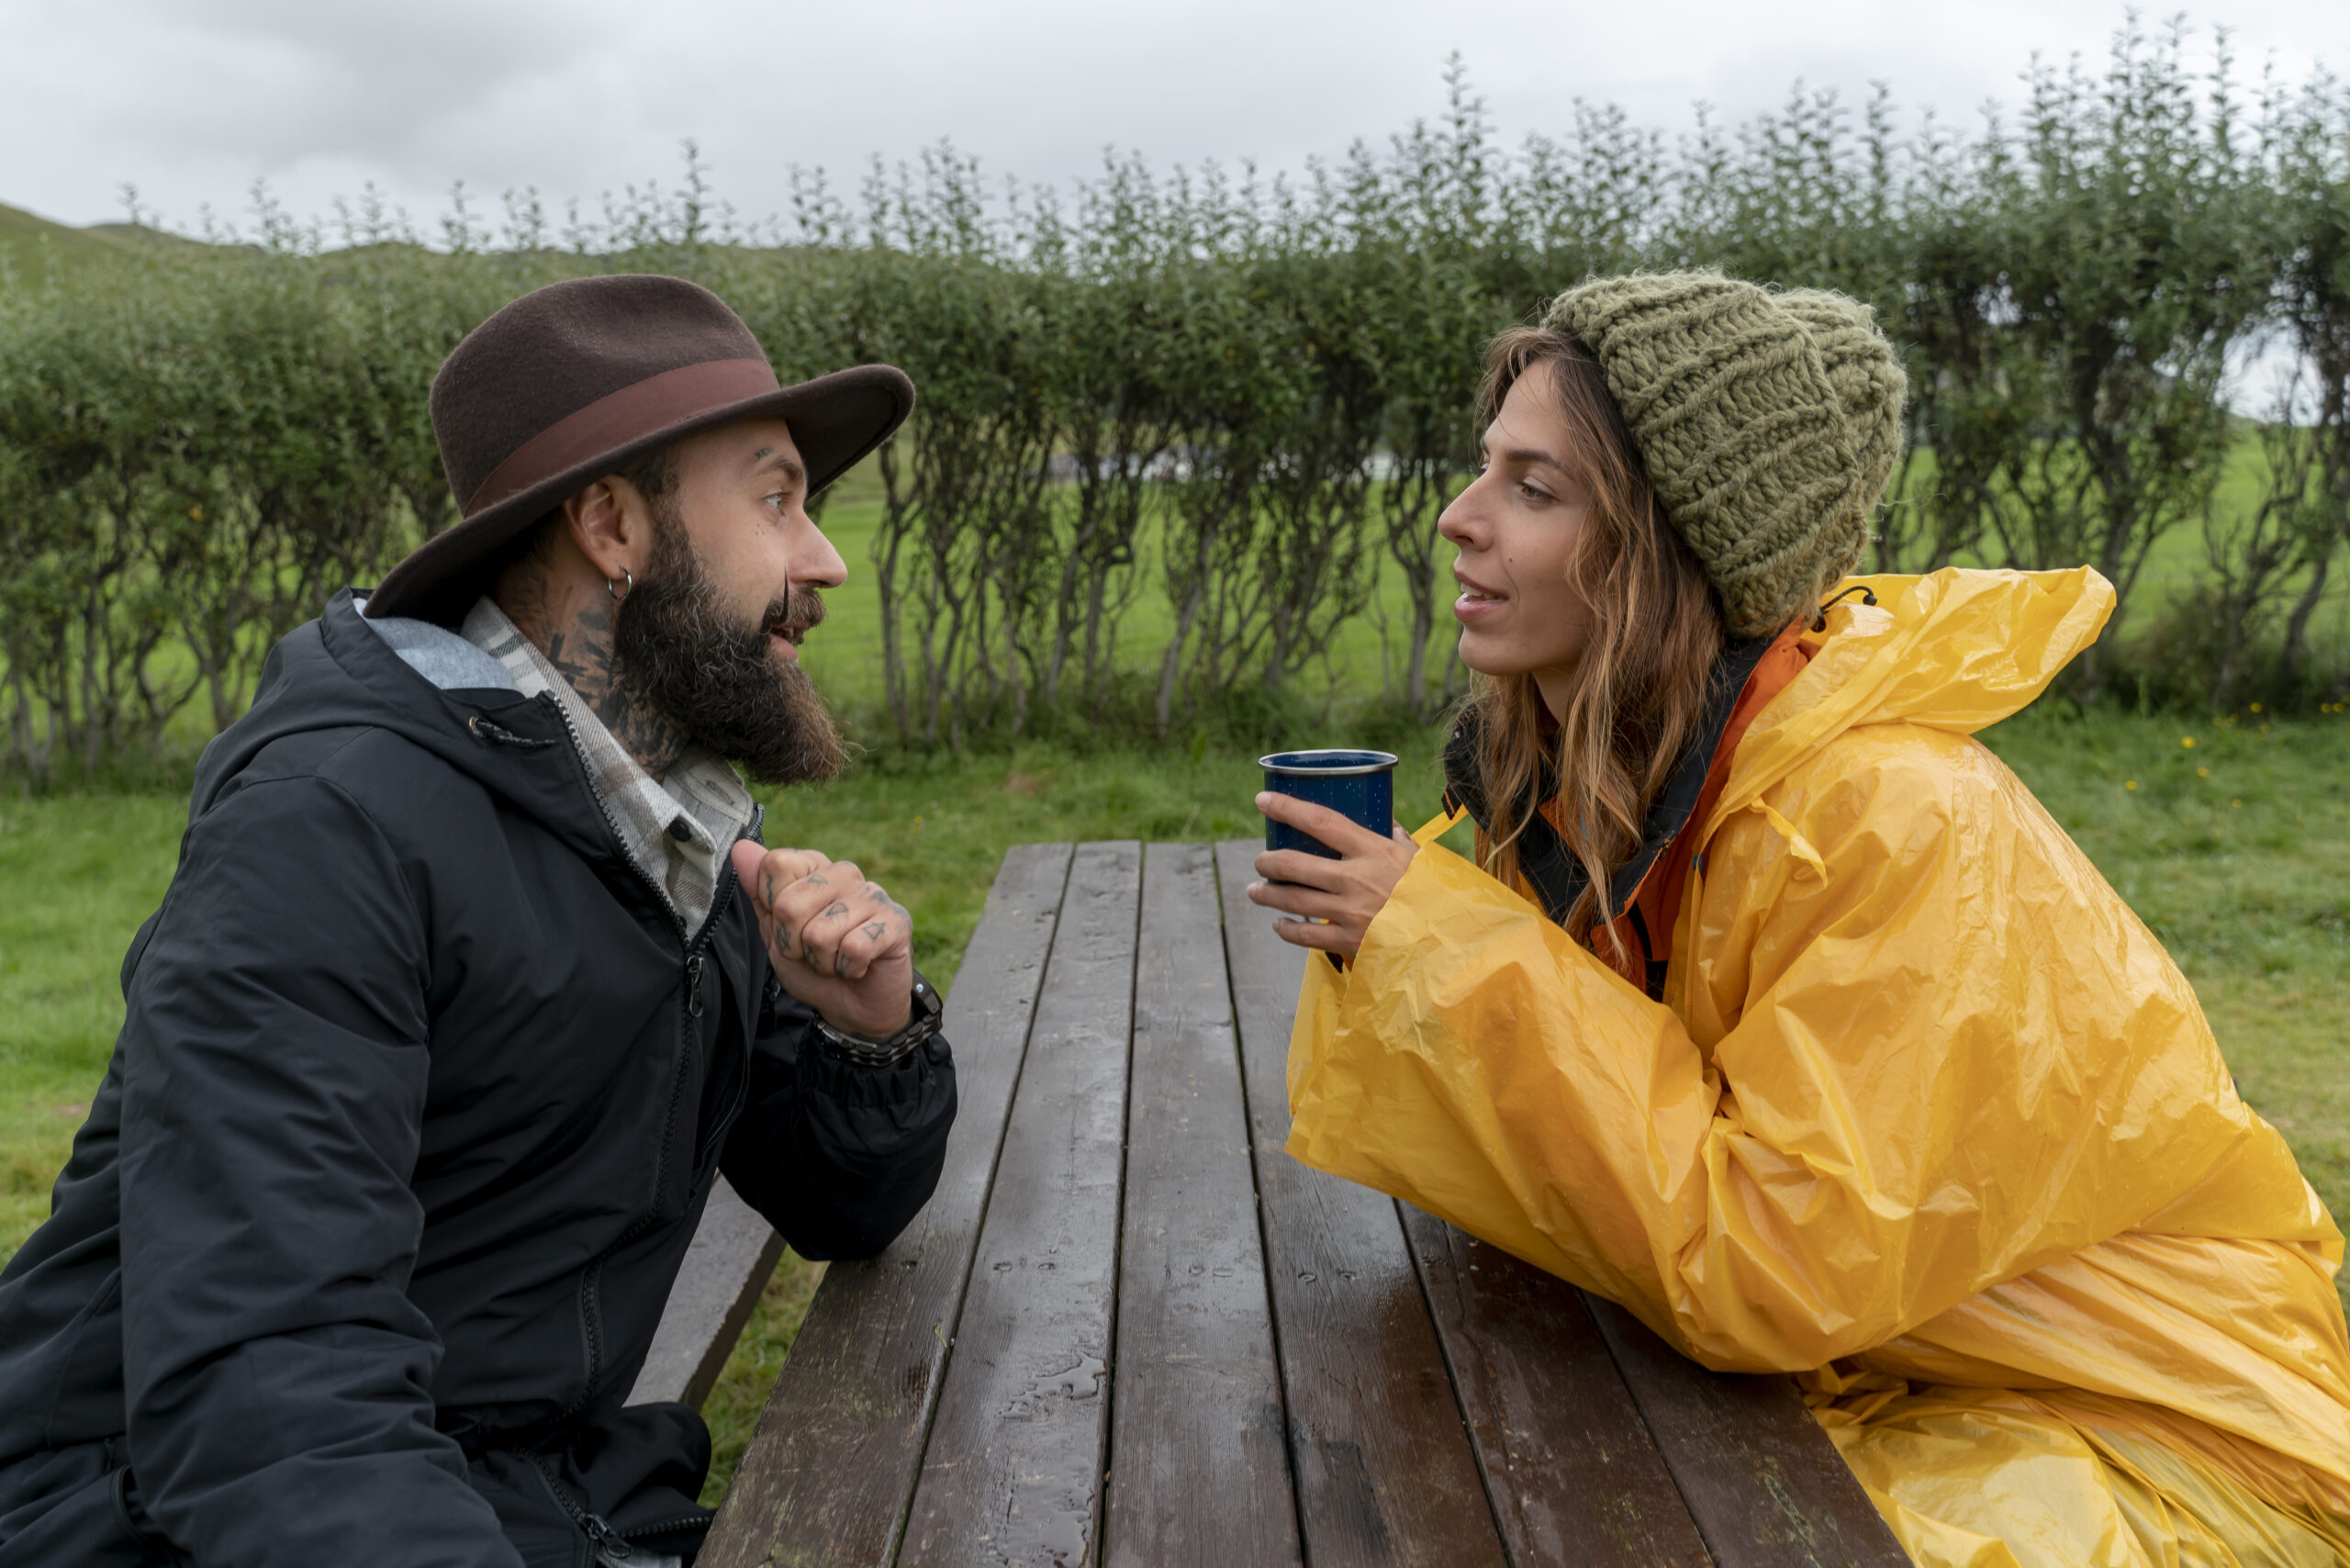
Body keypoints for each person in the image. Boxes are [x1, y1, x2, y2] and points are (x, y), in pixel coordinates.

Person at [1250, 272, 2350, 1565]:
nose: (1458, 516)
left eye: (1533, 489)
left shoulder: (1891, 820)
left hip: (2161, 1424)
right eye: (1485, 466)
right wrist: (1408, 940)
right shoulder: (1595, 784)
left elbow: (1771, 1266)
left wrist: (1442, 946)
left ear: (1669, 553)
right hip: (1885, 1369)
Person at [0, 274, 958, 1567]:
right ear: (612, 525)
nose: (824, 560)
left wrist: (872, 1036)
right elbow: (270, 1390)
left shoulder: (669, 817)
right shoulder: (327, 830)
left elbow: (842, 1206)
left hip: (504, 1488)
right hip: (151, 1524)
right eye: (777, 499)